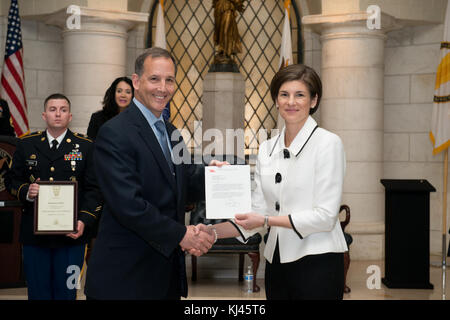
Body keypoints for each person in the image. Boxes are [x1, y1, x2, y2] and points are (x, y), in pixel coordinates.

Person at [84, 47, 226, 300]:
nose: (163, 88)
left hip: (164, 277)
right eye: (154, 79)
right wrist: (182, 235)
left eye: (169, 80)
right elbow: (129, 205)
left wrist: (214, 175)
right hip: (125, 279)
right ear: (136, 81)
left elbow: (182, 182)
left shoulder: (172, 133)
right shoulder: (114, 132)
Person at [201, 64, 348, 300]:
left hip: (318, 263)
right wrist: (209, 232)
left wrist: (267, 220)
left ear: (313, 100)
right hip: (276, 263)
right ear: (276, 100)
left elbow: (326, 216)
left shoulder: (328, 144)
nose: (291, 102)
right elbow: (256, 213)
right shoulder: (268, 149)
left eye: (300, 95)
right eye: (284, 94)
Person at [5, 93, 102, 300]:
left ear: (70, 116)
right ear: (44, 115)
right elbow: (12, 181)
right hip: (35, 237)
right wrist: (27, 192)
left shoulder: (85, 146)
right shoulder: (26, 144)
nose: (58, 114)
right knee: (38, 293)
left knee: (67, 292)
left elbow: (95, 189)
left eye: (63, 110)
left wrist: (84, 220)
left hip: (72, 237)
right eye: (52, 109)